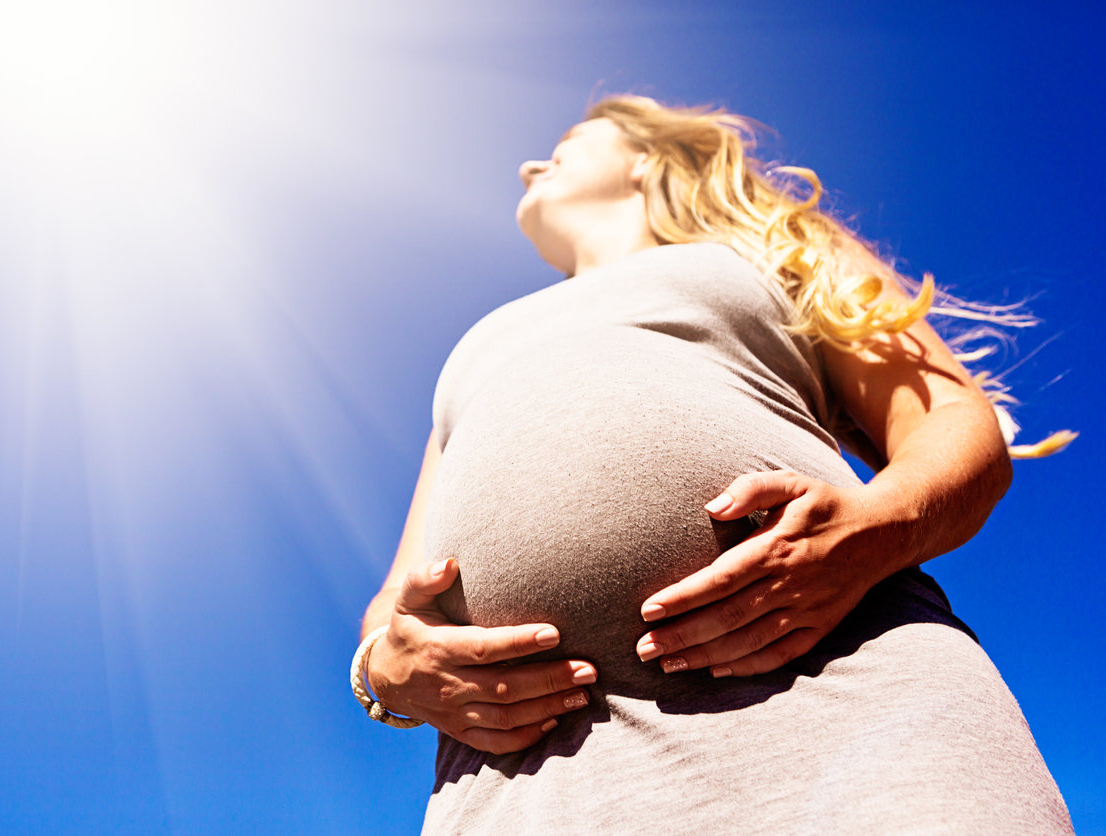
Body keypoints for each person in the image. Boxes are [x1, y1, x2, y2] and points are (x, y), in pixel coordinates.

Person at [352, 96, 1075, 834]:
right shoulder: (479, 342)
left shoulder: (770, 248)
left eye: (569, 139)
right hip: (524, 784)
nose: (529, 165)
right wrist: (382, 670)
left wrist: (877, 525)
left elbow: (953, 419)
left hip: (847, 703)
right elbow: (394, 599)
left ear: (644, 157)